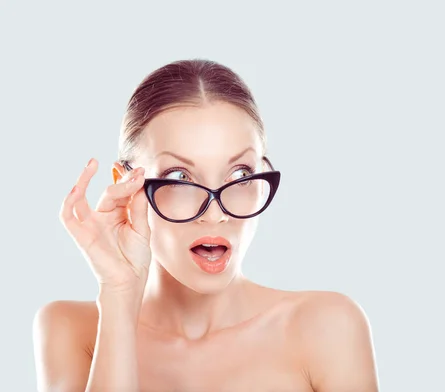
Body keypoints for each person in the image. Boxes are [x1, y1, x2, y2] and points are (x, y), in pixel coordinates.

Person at [32, 58, 379, 391]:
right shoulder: (70, 331)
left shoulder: (328, 327)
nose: (215, 214)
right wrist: (120, 295)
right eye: (179, 177)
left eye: (241, 174)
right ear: (127, 185)